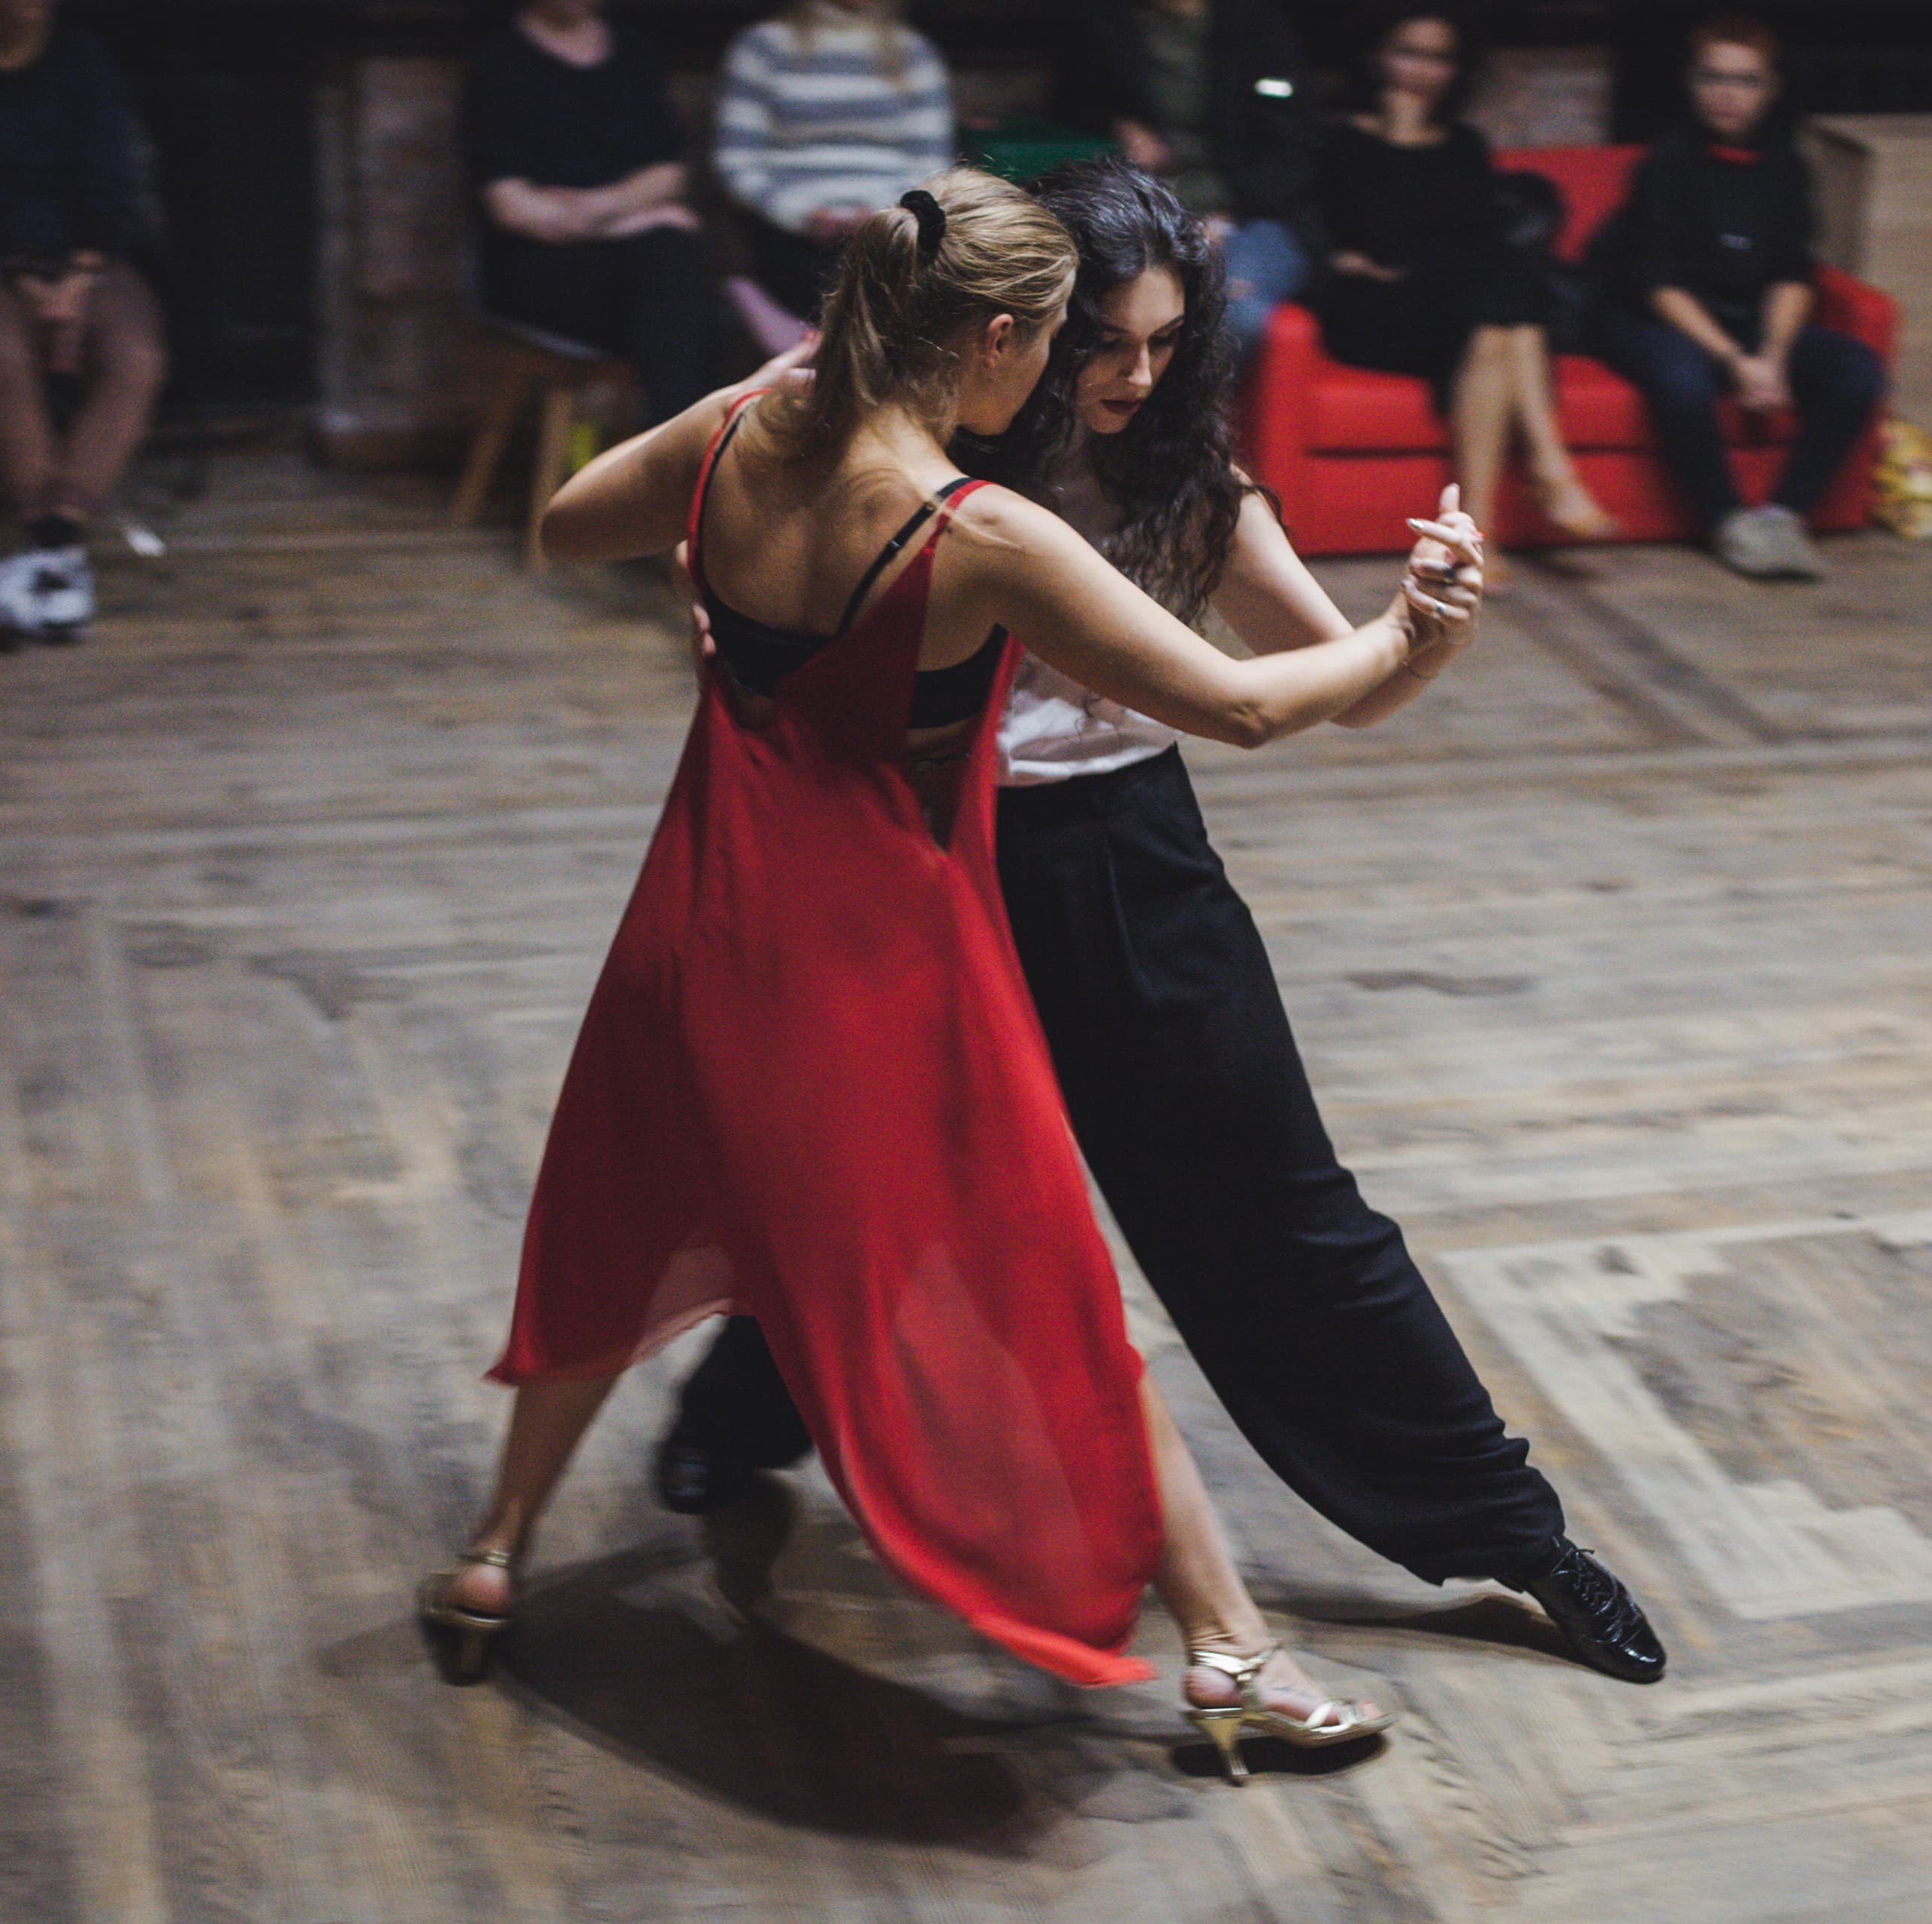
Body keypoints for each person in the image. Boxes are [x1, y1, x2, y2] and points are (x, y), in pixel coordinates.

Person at [416, 168, 1480, 1777]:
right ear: (990, 339)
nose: (1059, 379)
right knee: (1058, 1288)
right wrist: (1412, 631)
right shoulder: (977, 534)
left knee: (617, 1220)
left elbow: (565, 528)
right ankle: (1228, 1651)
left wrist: (733, 464)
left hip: (697, 919)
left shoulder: (735, 437)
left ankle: (493, 1553)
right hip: (878, 961)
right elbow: (1247, 705)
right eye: (1048, 346)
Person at [661, 159, 1667, 1687]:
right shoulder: (913, 457)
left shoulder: (1188, 484)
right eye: (1104, 342)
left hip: (1124, 862)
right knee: (881, 1190)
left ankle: (1515, 1534)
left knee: (1286, 1214)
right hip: (921, 860)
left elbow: (1336, 684)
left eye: (1164, 342)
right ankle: (738, 1415)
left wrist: (1427, 635)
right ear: (1025, 330)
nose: (1135, 374)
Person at [1308, 11, 1616, 589]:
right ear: (1378, 56)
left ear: (1455, 70)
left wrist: (1420, 258)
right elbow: (1377, 236)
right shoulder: (1342, 140)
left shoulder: (1463, 146)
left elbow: (1474, 243)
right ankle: (1548, 473)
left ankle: (1477, 539)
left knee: (1495, 322)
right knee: (1502, 308)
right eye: (1409, 53)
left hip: (1451, 309)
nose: (1421, 71)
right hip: (1372, 312)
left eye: (1437, 58)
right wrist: (1398, 140)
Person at [1589, 14, 1885, 582]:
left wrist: (1772, 356)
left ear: (1770, 88)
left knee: (1856, 368)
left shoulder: (1787, 165)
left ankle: (1783, 516)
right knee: (1681, 379)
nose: (1727, 94)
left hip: (1748, 318)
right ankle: (1728, 520)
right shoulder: (1666, 163)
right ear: (1691, 82)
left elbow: (1793, 273)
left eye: (1744, 81)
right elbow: (1659, 285)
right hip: (1661, 319)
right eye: (1713, 78)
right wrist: (1733, 360)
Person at [0, 0, 166, 645]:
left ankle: (56, 545)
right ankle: (48, 544)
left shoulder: (86, 61)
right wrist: (25, 273)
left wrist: (79, 277)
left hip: (85, 257)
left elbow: (111, 180)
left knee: (136, 356)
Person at [463, 0, 723, 425]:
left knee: (678, 277)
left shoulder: (632, 52)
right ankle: (683, 461)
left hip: (638, 267)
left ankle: (670, 458)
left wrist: (601, 207)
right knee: (677, 286)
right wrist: (630, 219)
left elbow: (668, 174)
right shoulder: (500, 63)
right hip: (537, 271)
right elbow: (511, 207)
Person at [1067, 0, 1317, 368]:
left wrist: (1225, 218)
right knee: (1104, 303)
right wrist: (1117, 125)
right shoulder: (1108, 21)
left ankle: (1195, 423)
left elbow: (1295, 145)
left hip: (1250, 216)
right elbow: (1070, 106)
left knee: (1232, 317)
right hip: (1147, 213)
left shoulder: (1255, 23)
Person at [713, 0, 955, 324]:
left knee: (890, 271)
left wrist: (883, 214)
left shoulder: (913, 51)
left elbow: (933, 162)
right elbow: (737, 159)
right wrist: (801, 216)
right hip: (788, 230)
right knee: (834, 279)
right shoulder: (762, 47)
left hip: (891, 226)